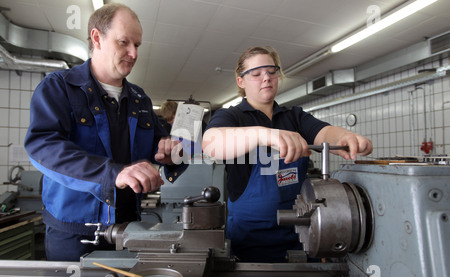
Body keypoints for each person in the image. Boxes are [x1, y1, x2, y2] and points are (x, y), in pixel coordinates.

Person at [24, 3, 184, 261]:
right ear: (97, 38)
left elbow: (161, 145)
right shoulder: (59, 87)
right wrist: (114, 173)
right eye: (124, 42)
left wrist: (173, 151)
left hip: (128, 228)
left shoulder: (139, 99)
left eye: (138, 45)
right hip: (75, 233)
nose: (133, 53)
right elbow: (43, 147)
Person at [202, 46, 373, 263]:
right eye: (256, 74)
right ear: (241, 82)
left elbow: (324, 132)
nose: (266, 78)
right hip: (249, 241)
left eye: (271, 72)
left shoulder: (294, 117)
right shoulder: (232, 117)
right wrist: (262, 135)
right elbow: (211, 143)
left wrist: (345, 137)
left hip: (301, 236)